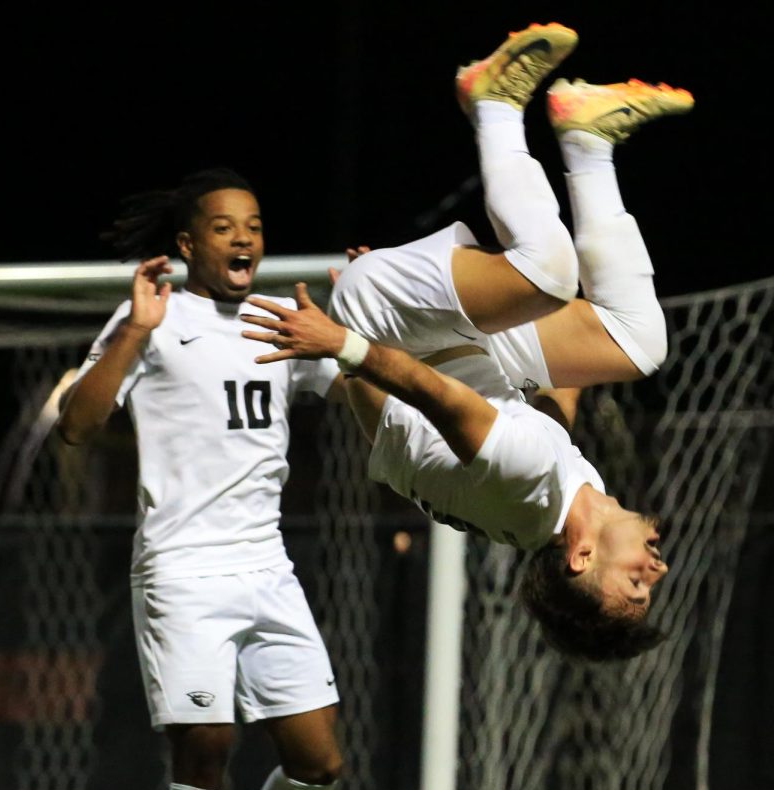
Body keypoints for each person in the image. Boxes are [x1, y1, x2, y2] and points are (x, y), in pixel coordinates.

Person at [242, 23, 692, 661]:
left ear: (582, 556)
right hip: (435, 342)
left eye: (635, 589)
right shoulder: (553, 500)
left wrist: (346, 339)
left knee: (549, 273)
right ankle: (588, 140)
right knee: (638, 345)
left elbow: (435, 397)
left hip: (395, 334)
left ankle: (495, 105)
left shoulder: (527, 484)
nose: (657, 573)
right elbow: (540, 405)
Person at [57, 169, 345, 790]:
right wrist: (134, 332)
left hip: (267, 565)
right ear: (188, 244)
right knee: (206, 757)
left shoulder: (280, 323)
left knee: (319, 759)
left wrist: (359, 330)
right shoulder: (155, 316)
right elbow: (77, 423)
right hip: (182, 568)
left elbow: (362, 394)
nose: (243, 239)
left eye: (254, 225)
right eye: (223, 227)